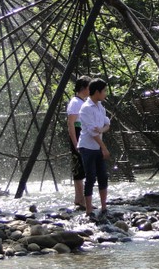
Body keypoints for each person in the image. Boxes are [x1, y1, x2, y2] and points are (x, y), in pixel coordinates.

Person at [77, 78, 111, 218]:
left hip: (97, 146)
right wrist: (104, 147)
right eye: (104, 91)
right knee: (90, 177)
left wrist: (102, 130)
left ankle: (104, 207)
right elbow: (92, 132)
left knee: (103, 176)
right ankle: (89, 210)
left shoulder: (100, 106)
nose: (105, 94)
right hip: (87, 147)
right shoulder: (86, 108)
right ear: (97, 92)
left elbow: (107, 124)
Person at [66, 75, 91, 210]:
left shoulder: (82, 102)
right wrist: (75, 143)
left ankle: (80, 198)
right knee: (80, 168)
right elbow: (71, 124)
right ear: (83, 88)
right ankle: (81, 199)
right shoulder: (75, 103)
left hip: (81, 133)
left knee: (83, 168)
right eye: (89, 87)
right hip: (77, 134)